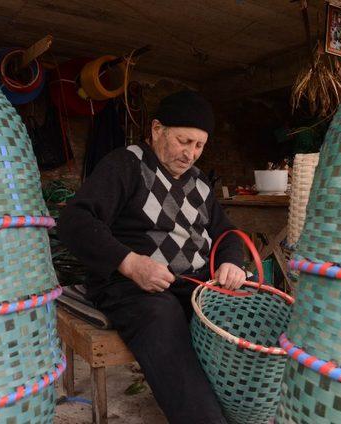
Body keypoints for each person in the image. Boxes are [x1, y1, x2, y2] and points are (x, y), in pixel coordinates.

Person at [58, 90, 245, 423]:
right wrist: (129, 262)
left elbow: (227, 233)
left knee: (243, 307)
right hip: (131, 285)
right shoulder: (126, 164)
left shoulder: (201, 183)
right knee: (162, 316)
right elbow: (75, 220)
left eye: (199, 146)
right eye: (183, 141)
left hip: (193, 283)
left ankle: (246, 409)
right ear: (158, 130)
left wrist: (231, 262)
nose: (190, 154)